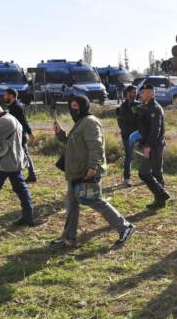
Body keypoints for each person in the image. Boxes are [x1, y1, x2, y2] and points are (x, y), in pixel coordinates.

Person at [51, 96, 134, 247]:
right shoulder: (81, 122)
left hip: (87, 171)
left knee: (95, 201)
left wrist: (92, 167)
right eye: (71, 106)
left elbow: (96, 146)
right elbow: (74, 143)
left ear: (83, 106)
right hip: (76, 172)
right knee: (71, 205)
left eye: (76, 105)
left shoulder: (89, 122)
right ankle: (69, 237)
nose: (73, 109)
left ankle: (125, 227)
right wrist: (60, 134)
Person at [0, 100, 35, 226]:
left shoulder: (5, 121)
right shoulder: (8, 118)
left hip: (4, 163)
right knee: (20, 189)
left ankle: (28, 217)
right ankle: (28, 217)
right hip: (10, 161)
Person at [137, 84, 171, 209]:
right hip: (152, 144)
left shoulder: (155, 109)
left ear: (151, 93)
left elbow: (155, 131)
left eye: (144, 92)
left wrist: (148, 147)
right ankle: (160, 201)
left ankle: (162, 194)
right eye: (141, 93)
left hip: (154, 145)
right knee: (156, 173)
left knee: (144, 172)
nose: (141, 95)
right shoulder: (147, 107)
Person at [3, 88, 37, 183]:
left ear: (11, 96)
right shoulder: (12, 107)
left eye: (5, 95)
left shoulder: (17, 107)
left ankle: (32, 176)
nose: (4, 97)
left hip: (20, 136)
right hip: (15, 135)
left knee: (25, 155)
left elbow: (23, 121)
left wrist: (30, 133)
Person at [116, 85, 141, 186]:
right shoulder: (123, 107)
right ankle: (127, 178)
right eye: (133, 92)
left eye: (135, 92)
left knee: (147, 154)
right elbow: (125, 121)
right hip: (127, 135)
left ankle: (150, 174)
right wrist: (135, 113)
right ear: (127, 93)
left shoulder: (138, 104)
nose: (135, 94)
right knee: (129, 156)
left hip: (139, 134)